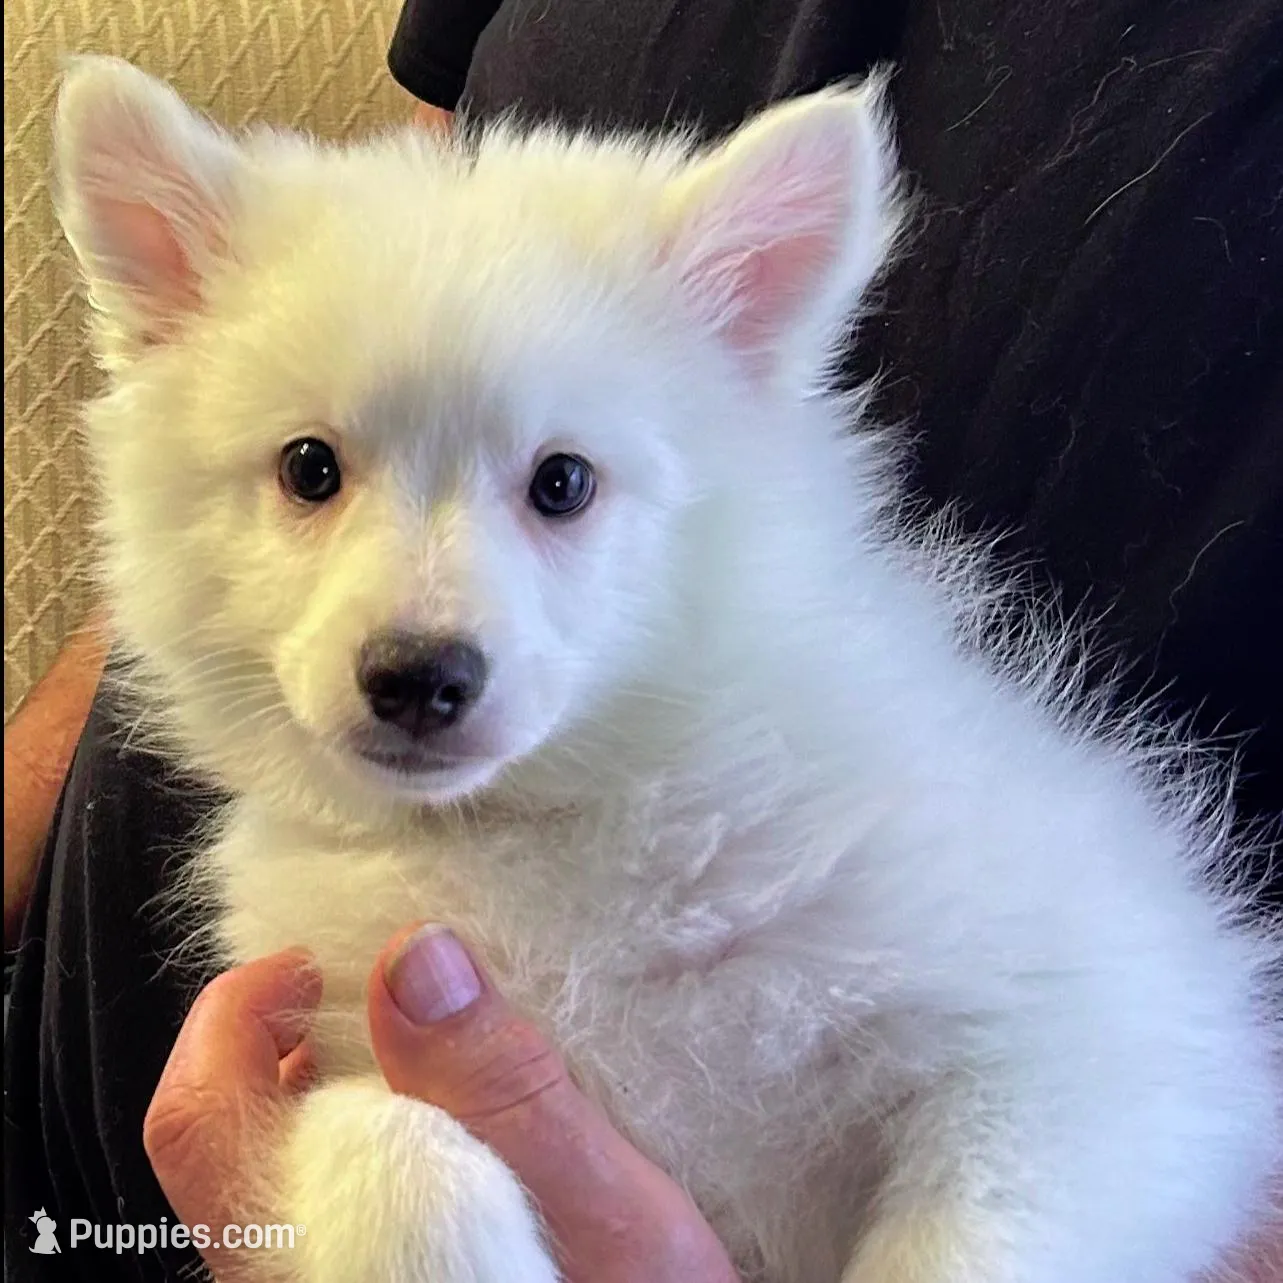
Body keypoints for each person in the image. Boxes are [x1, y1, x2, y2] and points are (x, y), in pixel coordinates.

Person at [4, 0, 1279, 1278]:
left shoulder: (863, 806)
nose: (417, 627)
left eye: (558, 487)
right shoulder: (308, 891)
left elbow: (1129, 1068)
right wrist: (376, 1190)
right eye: (312, 472)